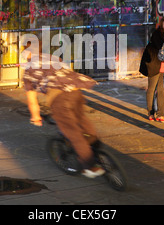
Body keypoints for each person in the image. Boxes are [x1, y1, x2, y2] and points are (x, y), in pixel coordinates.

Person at [22, 47, 106, 178]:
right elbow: (69, 74)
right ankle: (95, 147)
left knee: (72, 132)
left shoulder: (28, 70)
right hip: (75, 92)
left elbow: (32, 101)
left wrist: (36, 117)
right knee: (82, 121)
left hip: (58, 99)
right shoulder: (54, 58)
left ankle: (90, 166)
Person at [140, 15, 164, 121]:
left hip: (162, 65)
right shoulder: (157, 34)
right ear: (162, 22)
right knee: (151, 88)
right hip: (154, 64)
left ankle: (160, 114)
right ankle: (150, 112)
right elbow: (162, 48)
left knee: (160, 89)